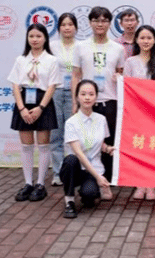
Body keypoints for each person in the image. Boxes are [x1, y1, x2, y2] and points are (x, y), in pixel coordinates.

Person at [7, 23, 60, 202]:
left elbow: (52, 86)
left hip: (43, 102)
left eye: (38, 36)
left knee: (44, 145)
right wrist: (21, 108)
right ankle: (28, 183)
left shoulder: (51, 60)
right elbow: (15, 85)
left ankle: (40, 184)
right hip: (24, 102)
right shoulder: (21, 60)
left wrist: (41, 108)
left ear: (45, 38)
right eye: (31, 36)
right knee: (26, 146)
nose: (35, 39)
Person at [71, 6, 124, 180]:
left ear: (109, 23)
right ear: (90, 23)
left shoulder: (118, 48)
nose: (100, 24)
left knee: (109, 141)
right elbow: (76, 75)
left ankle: (108, 178)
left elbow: (120, 73)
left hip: (110, 101)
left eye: (104, 20)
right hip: (87, 102)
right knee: (88, 140)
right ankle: (89, 177)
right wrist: (75, 102)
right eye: (96, 20)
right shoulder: (80, 46)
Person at [123, 25, 155, 201]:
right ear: (136, 40)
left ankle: (152, 184)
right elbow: (126, 87)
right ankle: (139, 184)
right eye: (142, 38)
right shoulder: (130, 62)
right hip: (136, 112)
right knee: (139, 147)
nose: (145, 41)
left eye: (149, 38)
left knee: (154, 148)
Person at [60, 80, 115, 218]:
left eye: (91, 94)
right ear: (77, 97)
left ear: (96, 97)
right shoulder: (71, 123)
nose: (87, 98)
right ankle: (69, 201)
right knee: (71, 160)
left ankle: (88, 192)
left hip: (94, 168)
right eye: (83, 94)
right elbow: (78, 153)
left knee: (90, 195)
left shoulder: (101, 119)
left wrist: (108, 149)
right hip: (76, 169)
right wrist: (98, 177)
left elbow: (100, 144)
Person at [49, 12, 79, 186]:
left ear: (76, 27)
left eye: (70, 24)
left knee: (73, 134)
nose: (67, 28)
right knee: (56, 134)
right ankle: (58, 173)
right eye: (63, 25)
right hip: (56, 92)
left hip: (75, 93)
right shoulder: (51, 46)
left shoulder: (81, 46)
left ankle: (72, 172)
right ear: (59, 28)